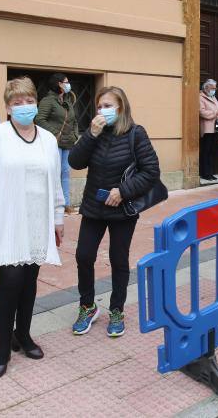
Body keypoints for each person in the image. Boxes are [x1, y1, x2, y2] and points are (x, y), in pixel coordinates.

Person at [0, 77, 65, 379]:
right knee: (10, 282)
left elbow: (56, 180)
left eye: (28, 101)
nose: (24, 107)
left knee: (30, 280)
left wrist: (58, 219)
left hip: (38, 221)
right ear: (7, 107)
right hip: (7, 220)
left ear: (36, 102)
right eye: (17, 102)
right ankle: (2, 346)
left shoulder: (47, 139)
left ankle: (24, 334)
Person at [68, 86, 160, 338]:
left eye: (108, 106)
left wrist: (123, 191)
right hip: (93, 207)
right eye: (100, 106)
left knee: (119, 259)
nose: (103, 111)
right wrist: (90, 134)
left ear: (121, 108)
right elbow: (75, 162)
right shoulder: (94, 133)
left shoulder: (135, 134)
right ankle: (87, 306)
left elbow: (151, 171)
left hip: (122, 208)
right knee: (84, 255)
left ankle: (117, 309)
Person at [35, 72, 79, 214]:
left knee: (65, 172)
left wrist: (75, 134)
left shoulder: (67, 100)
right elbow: (39, 119)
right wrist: (55, 133)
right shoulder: (48, 101)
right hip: (54, 143)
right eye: (66, 82)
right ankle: (53, 203)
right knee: (54, 172)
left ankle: (65, 203)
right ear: (59, 84)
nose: (68, 84)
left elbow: (73, 120)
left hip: (68, 142)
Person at [199, 79, 218, 181]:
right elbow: (201, 112)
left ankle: (210, 172)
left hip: (215, 128)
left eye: (215, 88)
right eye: (213, 88)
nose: (215, 90)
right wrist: (216, 113)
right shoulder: (200, 97)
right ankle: (205, 173)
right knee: (206, 151)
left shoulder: (213, 97)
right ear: (206, 88)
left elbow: (217, 109)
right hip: (207, 129)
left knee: (211, 151)